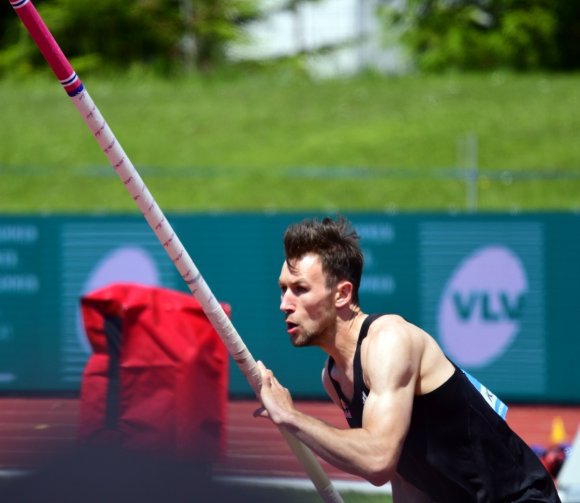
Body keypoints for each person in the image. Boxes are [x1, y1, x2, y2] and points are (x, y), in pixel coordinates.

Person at [254, 215, 560, 502]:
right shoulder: (334, 377)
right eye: (283, 289)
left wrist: (290, 416)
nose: (285, 304)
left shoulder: (389, 342)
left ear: (342, 294)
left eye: (300, 289)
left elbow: (377, 460)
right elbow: (406, 476)